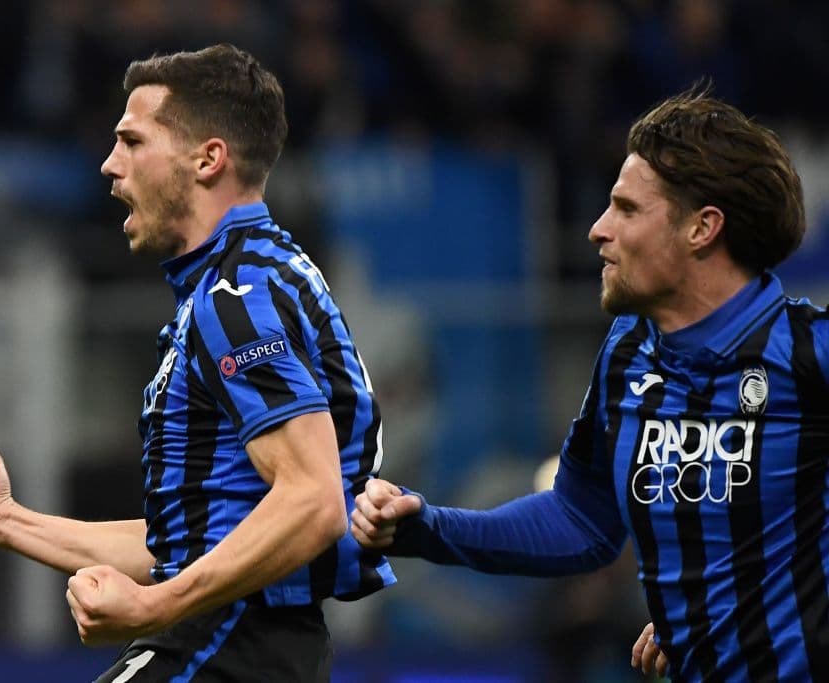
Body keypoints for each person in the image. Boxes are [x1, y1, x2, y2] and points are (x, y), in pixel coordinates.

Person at [0, 43, 394, 682]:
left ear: (207, 159)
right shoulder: (252, 280)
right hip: (249, 645)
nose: (109, 165)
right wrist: (4, 519)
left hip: (228, 643)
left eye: (132, 141)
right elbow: (190, 545)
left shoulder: (236, 300)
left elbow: (314, 500)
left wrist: (153, 607)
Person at [351, 85, 829, 681]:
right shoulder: (629, 353)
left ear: (702, 228)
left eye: (627, 210)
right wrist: (427, 528)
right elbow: (581, 520)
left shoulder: (810, 353)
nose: (597, 230)